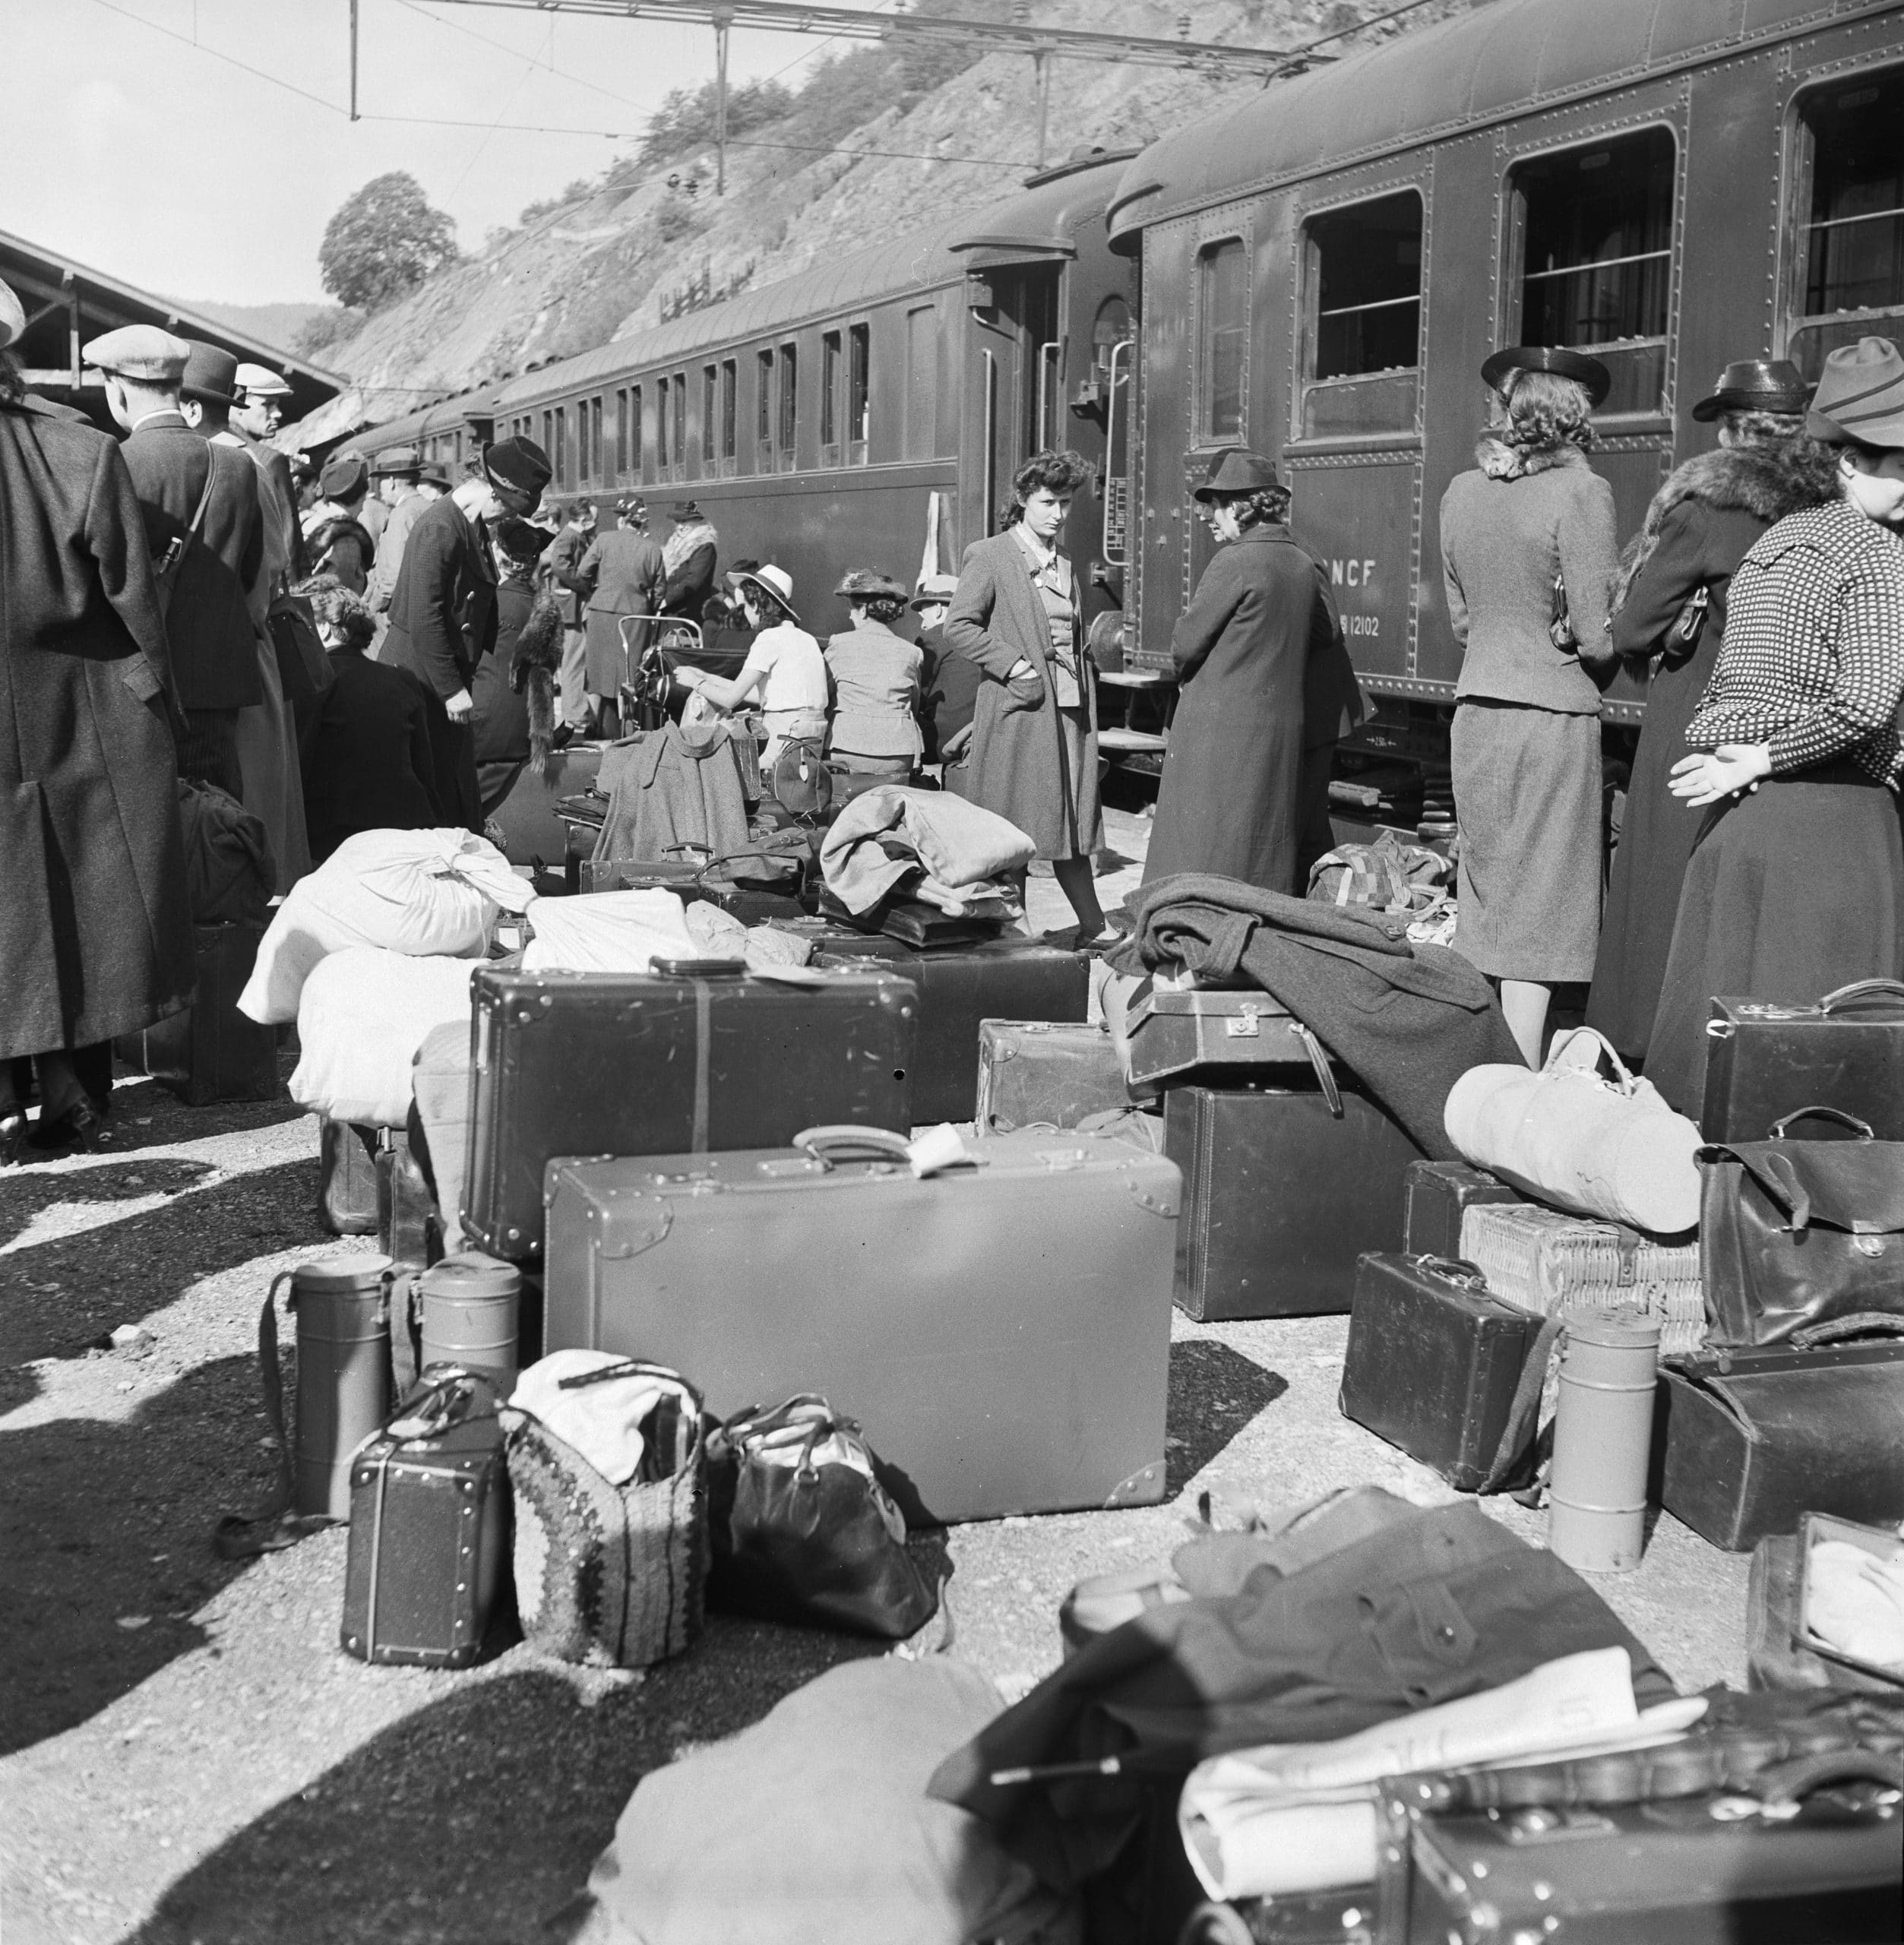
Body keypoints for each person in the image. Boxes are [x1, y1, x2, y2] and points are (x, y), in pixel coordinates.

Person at [1644, 337, 1904, 1117]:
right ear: (1846, 463)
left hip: (1744, 832)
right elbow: (1864, 703)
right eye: (1897, 462)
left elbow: (1728, 685)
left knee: (1715, 1084)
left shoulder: (1777, 541)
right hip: (1833, 844)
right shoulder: (1879, 556)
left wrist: (1742, 761)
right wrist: (1763, 752)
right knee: (1823, 1089)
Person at [1585, 359, 1830, 1062]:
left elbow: (1630, 631)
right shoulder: (1826, 509)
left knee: (1666, 881)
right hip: (1790, 726)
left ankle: (1641, 1041)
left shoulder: (1706, 508)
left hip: (1697, 717)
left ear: (1730, 430)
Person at [1, 283, 195, 1156]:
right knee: (83, 889)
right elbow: (139, 610)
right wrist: (165, 712)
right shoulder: (76, 451)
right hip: (75, 708)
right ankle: (73, 1090)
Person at [1439, 346, 1620, 1066]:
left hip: (1477, 710)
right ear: (1577, 417)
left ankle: (1478, 1063)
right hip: (1551, 714)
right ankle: (1517, 1078)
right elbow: (1598, 637)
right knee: (1543, 898)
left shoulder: (1459, 491)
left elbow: (1461, 622)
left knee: (1489, 890)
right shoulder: (1583, 494)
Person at [1142, 450, 1336, 895]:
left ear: (1236, 507)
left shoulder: (1234, 562)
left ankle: (1190, 917)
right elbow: (1326, 632)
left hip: (1220, 723)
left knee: (1206, 840)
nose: (1210, 517)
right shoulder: (1301, 562)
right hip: (1280, 723)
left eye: (1215, 506)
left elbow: (1185, 645)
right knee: (1257, 836)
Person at [944, 448, 1111, 945]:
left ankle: (1094, 926)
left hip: (1068, 712)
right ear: (1022, 500)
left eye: (1065, 503)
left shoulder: (1063, 561)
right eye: (1047, 503)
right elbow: (959, 627)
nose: (1057, 514)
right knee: (1016, 824)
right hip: (1021, 710)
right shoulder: (991, 555)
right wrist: (1015, 664)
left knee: (1073, 823)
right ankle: (1017, 927)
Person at [93, 324, 264, 805]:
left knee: (152, 825)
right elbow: (248, 574)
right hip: (219, 680)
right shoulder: (238, 467)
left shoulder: (111, 465)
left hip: (142, 683)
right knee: (218, 821)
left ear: (118, 390)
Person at [179, 341, 312, 890]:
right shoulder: (250, 462)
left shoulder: (236, 464)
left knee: (249, 786)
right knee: (264, 784)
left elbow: (273, 560)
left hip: (238, 645)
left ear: (190, 408)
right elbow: (280, 560)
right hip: (252, 643)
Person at [383, 437, 552, 833]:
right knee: (434, 792)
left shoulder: (468, 525)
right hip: (420, 676)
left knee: (453, 793)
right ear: (494, 492)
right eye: (509, 508)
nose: (504, 519)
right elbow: (425, 617)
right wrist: (450, 689)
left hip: (439, 675)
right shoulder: (440, 527)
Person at [296, 574, 441, 862]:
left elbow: (300, 765)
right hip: (406, 824)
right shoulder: (403, 679)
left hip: (336, 833)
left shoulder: (314, 681)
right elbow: (425, 772)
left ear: (324, 629)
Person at [672, 564, 827, 773]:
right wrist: (707, 677)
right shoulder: (806, 639)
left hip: (785, 735)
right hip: (812, 738)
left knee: (723, 765)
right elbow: (756, 694)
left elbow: (731, 699)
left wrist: (695, 682)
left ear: (755, 605)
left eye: (745, 605)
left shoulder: (768, 638)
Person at [473, 517, 563, 813]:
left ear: (501, 558)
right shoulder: (546, 609)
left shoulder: (490, 601)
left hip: (482, 728)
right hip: (526, 729)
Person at [577, 495, 666, 735]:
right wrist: (648, 607)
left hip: (600, 612)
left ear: (622, 520)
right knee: (628, 672)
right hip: (635, 617)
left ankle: (599, 726)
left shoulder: (604, 540)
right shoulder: (652, 549)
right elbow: (660, 590)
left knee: (599, 673)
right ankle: (627, 728)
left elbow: (583, 571)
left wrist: (597, 592)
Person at [824, 570, 922, 783]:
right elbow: (913, 706)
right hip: (897, 754)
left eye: (852, 608)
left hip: (847, 749)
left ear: (864, 611)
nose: (850, 615)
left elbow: (825, 697)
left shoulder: (839, 644)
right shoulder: (912, 652)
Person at [912, 572, 977, 778]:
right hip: (974, 738)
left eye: (924, 616)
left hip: (940, 744)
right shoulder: (981, 634)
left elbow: (917, 696)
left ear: (939, 610)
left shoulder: (935, 636)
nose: (923, 625)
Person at [546, 498, 597, 734]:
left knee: (575, 660)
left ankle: (575, 710)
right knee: (574, 661)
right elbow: (559, 565)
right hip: (572, 606)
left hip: (574, 605)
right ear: (584, 520)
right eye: (593, 519)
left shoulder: (574, 535)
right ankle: (575, 713)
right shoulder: (569, 536)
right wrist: (582, 584)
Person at [366, 447, 429, 620]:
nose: (380, 488)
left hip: (400, 613)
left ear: (392, 481)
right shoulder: (430, 507)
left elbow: (393, 576)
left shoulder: (400, 514)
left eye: (381, 481)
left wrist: (372, 608)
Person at [303, 454, 376, 595]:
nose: (362, 508)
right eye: (363, 500)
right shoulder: (347, 539)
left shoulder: (312, 521)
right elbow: (340, 595)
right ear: (357, 497)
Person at [660, 499, 720, 618]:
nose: (681, 527)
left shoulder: (704, 546)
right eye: (678, 522)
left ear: (696, 521)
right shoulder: (673, 544)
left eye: (685, 521)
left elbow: (693, 581)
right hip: (669, 612)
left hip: (688, 613)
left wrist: (665, 602)